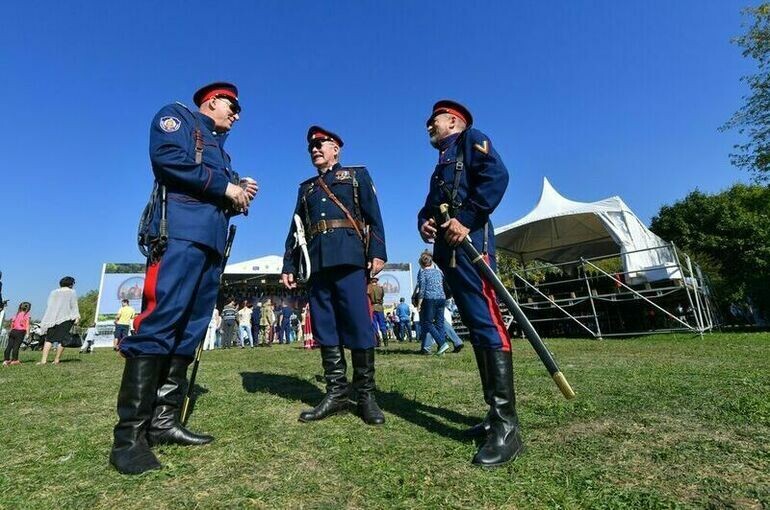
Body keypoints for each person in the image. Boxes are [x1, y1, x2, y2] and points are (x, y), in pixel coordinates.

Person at [110, 82, 258, 475]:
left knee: (190, 331)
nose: (237, 115)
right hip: (179, 237)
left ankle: (164, 423)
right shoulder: (178, 119)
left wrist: (239, 193)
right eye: (233, 106)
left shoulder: (219, 148)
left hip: (210, 244)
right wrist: (225, 186)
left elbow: (216, 188)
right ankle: (128, 440)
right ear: (211, 102)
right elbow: (168, 160)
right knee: (160, 325)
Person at [418, 100, 523, 467]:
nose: (428, 125)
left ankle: (507, 428)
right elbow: (431, 205)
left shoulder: (471, 141)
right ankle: (493, 417)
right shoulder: (441, 162)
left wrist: (467, 217)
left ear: (454, 121)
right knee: (476, 329)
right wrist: (424, 223)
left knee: (486, 323)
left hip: (472, 244)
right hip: (449, 252)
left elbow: (497, 176)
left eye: (434, 120)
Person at [282, 125, 387, 425]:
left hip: (349, 257)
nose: (314, 148)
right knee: (325, 326)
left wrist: (377, 252)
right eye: (311, 146)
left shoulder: (356, 176)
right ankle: (337, 393)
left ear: (336, 149)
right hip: (317, 263)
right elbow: (296, 229)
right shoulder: (306, 189)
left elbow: (373, 218)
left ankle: (366, 395)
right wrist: (289, 265)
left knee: (358, 323)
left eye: (320, 144)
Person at [38, 276, 80, 365]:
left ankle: (43, 360)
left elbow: (49, 304)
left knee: (49, 339)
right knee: (63, 340)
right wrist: (77, 317)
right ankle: (56, 359)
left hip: (52, 318)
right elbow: (74, 305)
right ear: (70, 284)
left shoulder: (53, 292)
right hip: (66, 318)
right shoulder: (72, 292)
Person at [416, 251, 449, 355]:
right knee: (440, 324)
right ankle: (442, 349)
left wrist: (419, 304)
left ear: (421, 263)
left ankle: (442, 343)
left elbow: (422, 290)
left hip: (430, 299)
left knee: (428, 323)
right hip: (442, 298)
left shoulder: (423, 272)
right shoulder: (439, 272)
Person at [3, 301, 31, 366]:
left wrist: (11, 331)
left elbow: (12, 324)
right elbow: (27, 325)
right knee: (16, 347)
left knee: (9, 346)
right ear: (28, 308)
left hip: (13, 331)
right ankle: (14, 360)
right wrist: (27, 334)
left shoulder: (16, 314)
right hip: (20, 332)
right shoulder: (27, 315)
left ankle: (6, 360)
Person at [367, 277, 388, 346]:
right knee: (382, 324)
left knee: (374, 325)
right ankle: (386, 341)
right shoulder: (381, 288)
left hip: (373, 307)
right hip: (380, 307)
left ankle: (378, 342)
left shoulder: (369, 288)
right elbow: (382, 296)